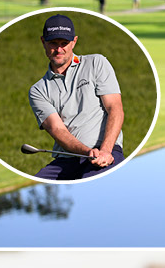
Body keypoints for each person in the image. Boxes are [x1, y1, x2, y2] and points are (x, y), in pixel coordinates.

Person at [26, 14, 125, 181]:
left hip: (105, 150)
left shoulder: (96, 63)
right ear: (43, 41)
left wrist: (105, 151)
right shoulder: (38, 90)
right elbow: (58, 130)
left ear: (74, 41)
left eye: (64, 44)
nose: (59, 50)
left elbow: (115, 108)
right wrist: (86, 152)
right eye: (53, 44)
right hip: (66, 159)